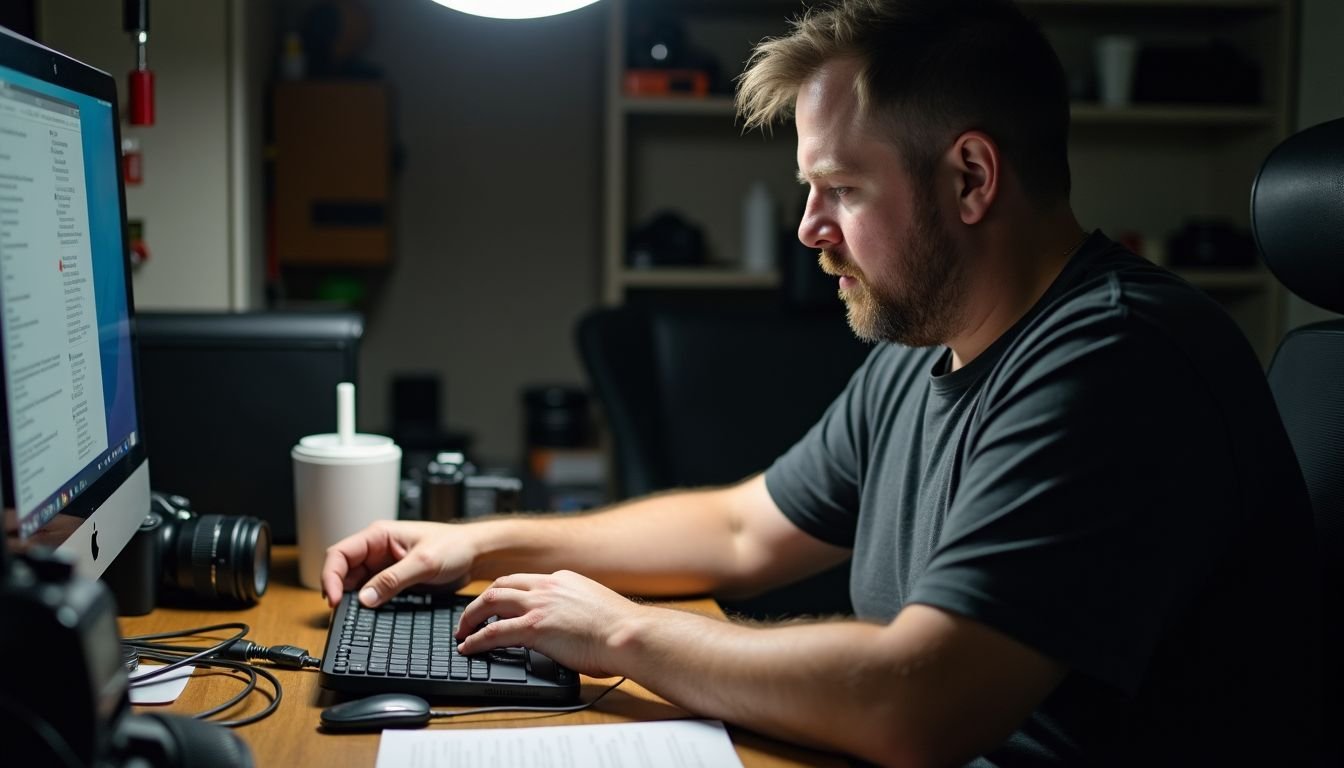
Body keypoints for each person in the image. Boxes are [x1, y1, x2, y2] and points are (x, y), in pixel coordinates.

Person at [323, 0, 1321, 764]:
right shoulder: (923, 348)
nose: (809, 228)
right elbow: (741, 530)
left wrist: (621, 633)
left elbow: (918, 697)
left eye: (840, 188)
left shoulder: (1114, 362)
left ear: (972, 179)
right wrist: (479, 544)